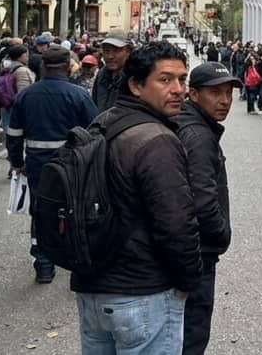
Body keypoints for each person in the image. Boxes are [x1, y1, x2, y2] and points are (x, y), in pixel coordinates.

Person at [70, 42, 201, 355]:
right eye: (165, 79)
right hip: (142, 293)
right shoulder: (157, 140)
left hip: (93, 290)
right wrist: (188, 280)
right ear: (136, 85)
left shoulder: (103, 122)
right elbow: (176, 225)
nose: (178, 89)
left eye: (182, 79)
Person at [7, 45, 97, 283]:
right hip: (74, 165)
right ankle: (77, 258)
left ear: (43, 67)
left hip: (38, 166)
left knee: (41, 212)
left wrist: (16, 161)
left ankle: (44, 264)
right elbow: (95, 132)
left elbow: (14, 134)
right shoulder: (79, 95)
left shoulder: (26, 96)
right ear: (68, 67)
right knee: (76, 208)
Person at [173, 62, 241, 355]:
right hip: (198, 253)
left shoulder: (190, 124)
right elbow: (203, 201)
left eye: (228, 93)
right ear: (194, 94)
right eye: (215, 93)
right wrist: (221, 234)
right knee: (192, 334)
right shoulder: (199, 136)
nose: (224, 101)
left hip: (186, 250)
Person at [93, 29, 132, 113]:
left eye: (116, 51)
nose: (110, 56)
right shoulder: (101, 74)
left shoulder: (133, 77)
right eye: (106, 51)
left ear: (128, 51)